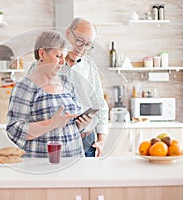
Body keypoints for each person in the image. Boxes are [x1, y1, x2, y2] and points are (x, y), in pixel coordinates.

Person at [28, 18, 109, 157]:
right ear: (67, 34)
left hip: (86, 142)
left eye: (88, 45)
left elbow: (100, 105)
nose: (81, 49)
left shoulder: (90, 67)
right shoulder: (42, 65)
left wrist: (101, 140)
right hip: (52, 142)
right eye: (79, 41)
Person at [6, 31, 93, 158]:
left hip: (75, 161)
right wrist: (51, 123)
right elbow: (14, 130)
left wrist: (81, 124)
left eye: (64, 56)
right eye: (58, 56)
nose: (63, 62)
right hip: (41, 166)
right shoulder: (25, 87)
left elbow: (71, 124)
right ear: (42, 53)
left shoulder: (67, 83)